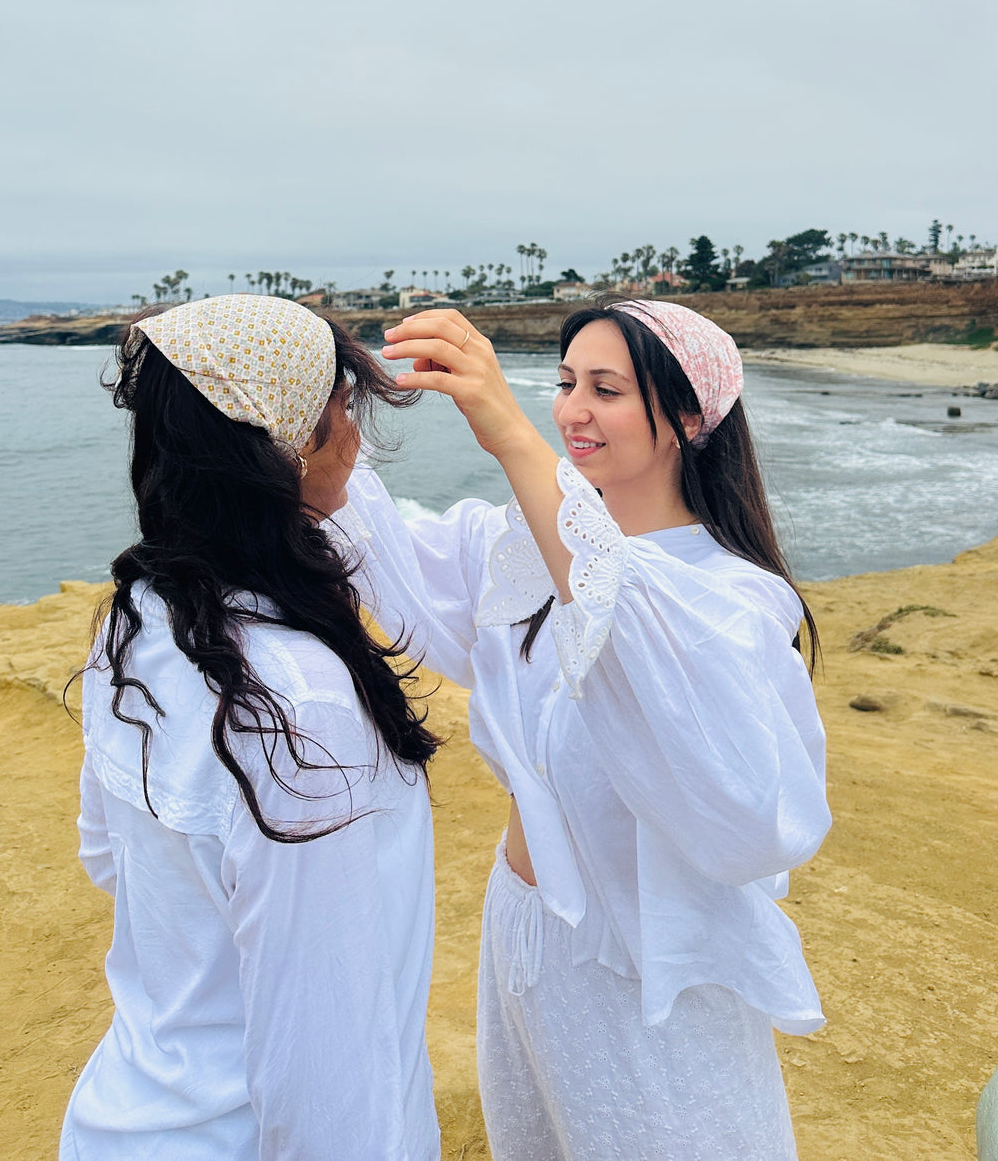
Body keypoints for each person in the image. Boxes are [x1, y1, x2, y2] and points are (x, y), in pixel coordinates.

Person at [327, 298, 831, 1161]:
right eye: (564, 384)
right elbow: (390, 545)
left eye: (606, 388)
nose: (572, 412)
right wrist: (316, 411)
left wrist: (511, 434)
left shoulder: (726, 600)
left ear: (686, 417)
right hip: (525, 937)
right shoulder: (528, 548)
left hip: (636, 972)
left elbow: (628, 624)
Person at [61, 294, 441, 1161]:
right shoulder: (297, 706)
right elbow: (325, 1062)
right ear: (293, 442)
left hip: (133, 1114)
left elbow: (107, 858)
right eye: (342, 404)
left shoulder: (141, 617)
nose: (355, 430)